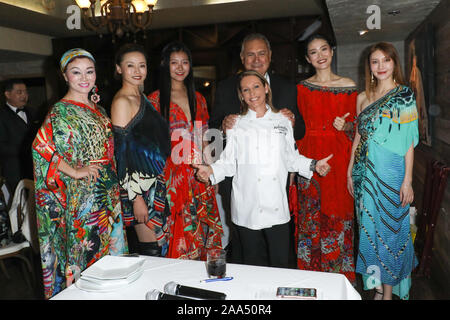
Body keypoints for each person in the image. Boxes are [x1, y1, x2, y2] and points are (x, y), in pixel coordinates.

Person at [194, 70, 332, 268]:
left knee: (280, 264)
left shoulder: (283, 120)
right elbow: (228, 162)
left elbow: (291, 159)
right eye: (246, 90)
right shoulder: (235, 124)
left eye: (256, 87)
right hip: (246, 206)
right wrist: (211, 171)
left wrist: (314, 164)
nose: (252, 93)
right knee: (252, 266)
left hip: (276, 205)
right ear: (241, 95)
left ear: (266, 88)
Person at [32, 48, 127, 299]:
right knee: (88, 254)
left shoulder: (99, 109)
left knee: (111, 256)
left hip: (107, 192)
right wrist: (73, 171)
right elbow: (41, 146)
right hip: (84, 196)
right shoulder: (60, 111)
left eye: (89, 71)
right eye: (76, 72)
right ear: (65, 76)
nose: (84, 78)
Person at [209, 33, 305, 264]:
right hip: (241, 178)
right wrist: (223, 125)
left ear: (270, 57)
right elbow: (212, 131)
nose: (256, 59)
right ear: (242, 58)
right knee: (247, 248)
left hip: (275, 178)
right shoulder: (225, 88)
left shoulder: (286, 87)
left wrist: (292, 120)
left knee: (279, 245)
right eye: (250, 54)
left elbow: (300, 131)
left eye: (262, 53)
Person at [347, 42, 419, 300]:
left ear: (394, 63)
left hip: (392, 173)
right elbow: (358, 135)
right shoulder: (362, 97)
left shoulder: (404, 95)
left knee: (390, 232)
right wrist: (348, 170)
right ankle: (378, 286)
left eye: (385, 60)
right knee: (369, 231)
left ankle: (388, 294)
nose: (380, 66)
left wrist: (408, 181)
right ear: (369, 66)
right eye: (375, 61)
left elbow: (409, 141)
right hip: (364, 173)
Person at [148, 41, 223, 260]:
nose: (180, 67)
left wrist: (213, 172)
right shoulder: (154, 100)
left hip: (200, 173)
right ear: (164, 65)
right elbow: (151, 147)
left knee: (205, 232)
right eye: (174, 63)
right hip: (172, 177)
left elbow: (205, 138)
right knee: (179, 234)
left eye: (185, 62)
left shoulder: (198, 98)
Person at [292, 34, 357, 285]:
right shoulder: (300, 89)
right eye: (313, 52)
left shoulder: (349, 85)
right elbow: (293, 128)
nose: (320, 55)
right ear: (307, 58)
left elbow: (360, 130)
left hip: (340, 161)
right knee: (310, 220)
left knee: (339, 219)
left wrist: (347, 126)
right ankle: (312, 281)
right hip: (310, 160)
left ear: (332, 51)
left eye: (324, 49)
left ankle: (339, 282)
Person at [111, 43, 171, 257]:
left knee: (162, 249)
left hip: (155, 182)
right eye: (130, 66)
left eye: (142, 66)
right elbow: (121, 154)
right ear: (119, 69)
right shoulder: (121, 101)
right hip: (138, 188)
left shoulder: (142, 98)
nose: (137, 71)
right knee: (152, 252)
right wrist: (135, 199)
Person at [0, 79, 38, 198]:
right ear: (7, 94)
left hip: (34, 170)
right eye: (19, 92)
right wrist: (25, 150)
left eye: (25, 92)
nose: (24, 96)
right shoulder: (1, 115)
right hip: (14, 171)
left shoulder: (33, 112)